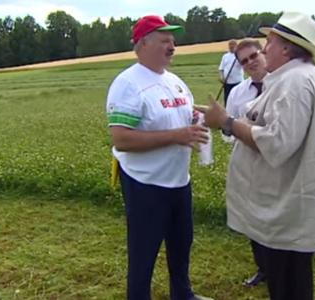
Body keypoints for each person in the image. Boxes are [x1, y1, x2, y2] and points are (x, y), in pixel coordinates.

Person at [196, 11, 315, 300]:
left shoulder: (294, 83)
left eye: (269, 42)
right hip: (292, 201)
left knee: (287, 286)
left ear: (286, 47)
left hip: (285, 205)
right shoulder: (309, 77)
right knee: (293, 281)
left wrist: (227, 123)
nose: (265, 48)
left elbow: (276, 143)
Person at [106, 15, 213, 300]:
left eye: (173, 40)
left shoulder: (175, 81)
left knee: (181, 244)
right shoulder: (127, 83)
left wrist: (200, 117)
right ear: (143, 44)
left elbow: (182, 115)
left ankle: (183, 294)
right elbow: (122, 139)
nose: (172, 46)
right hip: (145, 184)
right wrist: (176, 136)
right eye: (164, 40)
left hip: (179, 181)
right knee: (144, 252)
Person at [225, 38, 269, 286]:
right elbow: (228, 130)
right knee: (254, 217)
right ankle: (263, 268)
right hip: (250, 164)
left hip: (278, 163)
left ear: (264, 53)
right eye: (244, 61)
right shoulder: (239, 93)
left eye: (254, 56)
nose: (250, 63)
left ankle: (281, 269)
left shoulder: (283, 85)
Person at [218, 39, 244, 107]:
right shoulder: (225, 56)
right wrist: (221, 77)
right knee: (227, 100)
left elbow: (243, 65)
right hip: (227, 83)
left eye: (233, 45)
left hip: (237, 82)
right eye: (230, 45)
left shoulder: (239, 56)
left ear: (236, 46)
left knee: (238, 100)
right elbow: (221, 68)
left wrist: (238, 56)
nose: (231, 47)